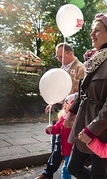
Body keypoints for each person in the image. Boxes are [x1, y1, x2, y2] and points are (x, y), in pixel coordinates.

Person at [64, 13, 107, 179]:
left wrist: (93, 129)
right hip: (83, 122)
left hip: (102, 129)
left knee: (98, 174)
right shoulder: (94, 59)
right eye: (92, 31)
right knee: (73, 168)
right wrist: (72, 111)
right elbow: (83, 91)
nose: (92, 34)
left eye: (97, 31)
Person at [36, 43, 84, 179]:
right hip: (62, 112)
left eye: (60, 56)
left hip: (73, 113)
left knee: (63, 144)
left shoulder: (81, 68)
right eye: (57, 56)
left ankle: (51, 172)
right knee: (57, 143)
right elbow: (59, 90)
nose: (58, 59)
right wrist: (53, 102)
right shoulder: (62, 68)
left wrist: (67, 79)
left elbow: (81, 90)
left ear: (69, 53)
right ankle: (50, 171)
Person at [44, 93, 77, 179]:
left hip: (73, 149)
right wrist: (51, 129)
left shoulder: (77, 120)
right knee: (68, 168)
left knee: (68, 168)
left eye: (67, 103)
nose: (64, 105)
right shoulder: (63, 118)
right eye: (64, 103)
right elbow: (57, 128)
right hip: (65, 149)